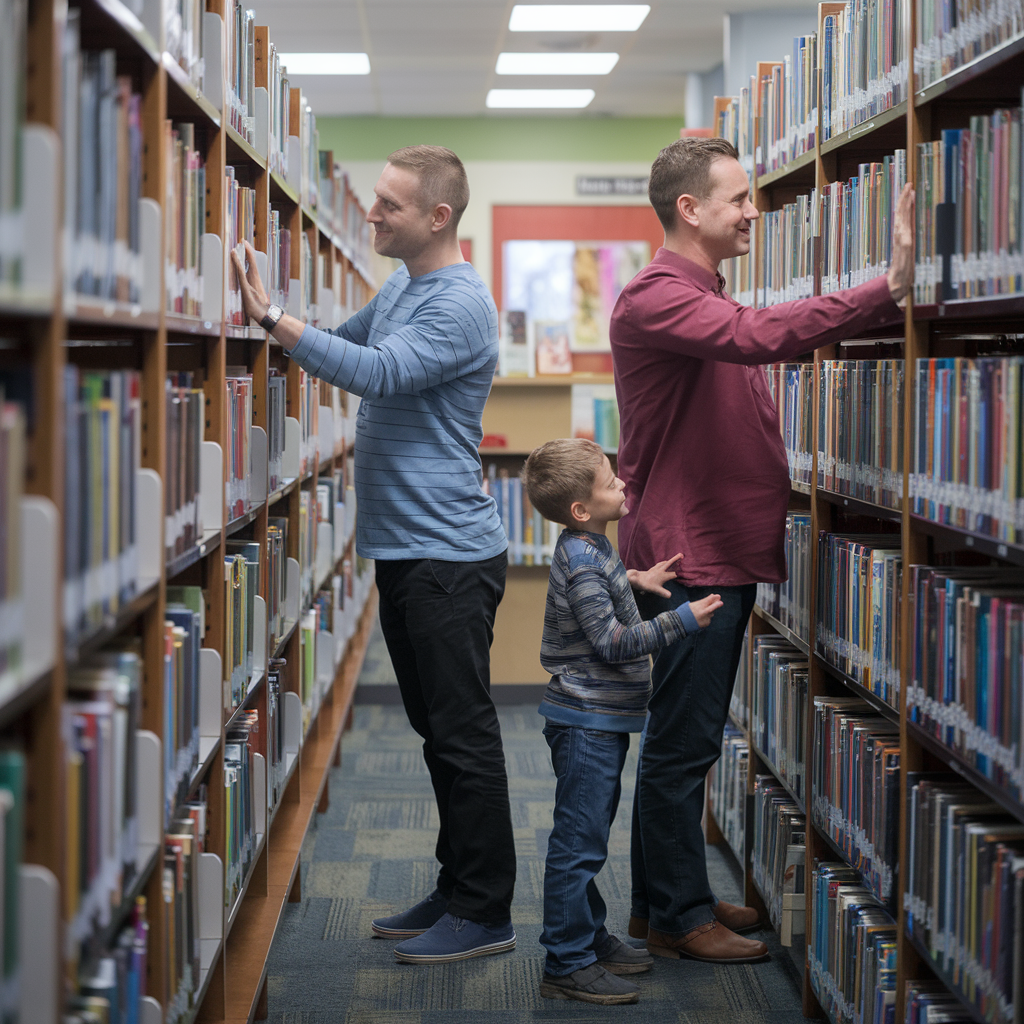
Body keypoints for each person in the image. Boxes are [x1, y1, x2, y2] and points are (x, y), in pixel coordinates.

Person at [610, 137, 914, 963]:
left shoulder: (701, 292)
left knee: (686, 740)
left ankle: (659, 903)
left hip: (717, 547)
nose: (755, 211)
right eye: (739, 198)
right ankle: (676, 917)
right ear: (689, 209)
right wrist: (885, 291)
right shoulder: (658, 298)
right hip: (691, 558)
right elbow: (757, 338)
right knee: (683, 746)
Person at [230, 145, 517, 965]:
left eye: (389, 204)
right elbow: (341, 342)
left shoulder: (459, 304)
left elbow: (377, 373)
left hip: (447, 556)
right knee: (436, 731)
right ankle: (457, 884)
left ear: (437, 217)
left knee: (463, 735)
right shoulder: (403, 285)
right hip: (406, 548)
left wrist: (270, 319)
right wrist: (278, 316)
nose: (372, 214)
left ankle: (486, 908)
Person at [521, 438, 724, 1004]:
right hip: (585, 721)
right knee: (578, 844)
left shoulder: (590, 546)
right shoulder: (585, 557)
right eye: (610, 484)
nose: (623, 487)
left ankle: (587, 937)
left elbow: (599, 591)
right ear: (581, 509)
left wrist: (634, 580)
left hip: (600, 720)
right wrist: (679, 621)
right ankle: (567, 961)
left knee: (589, 835)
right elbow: (610, 642)